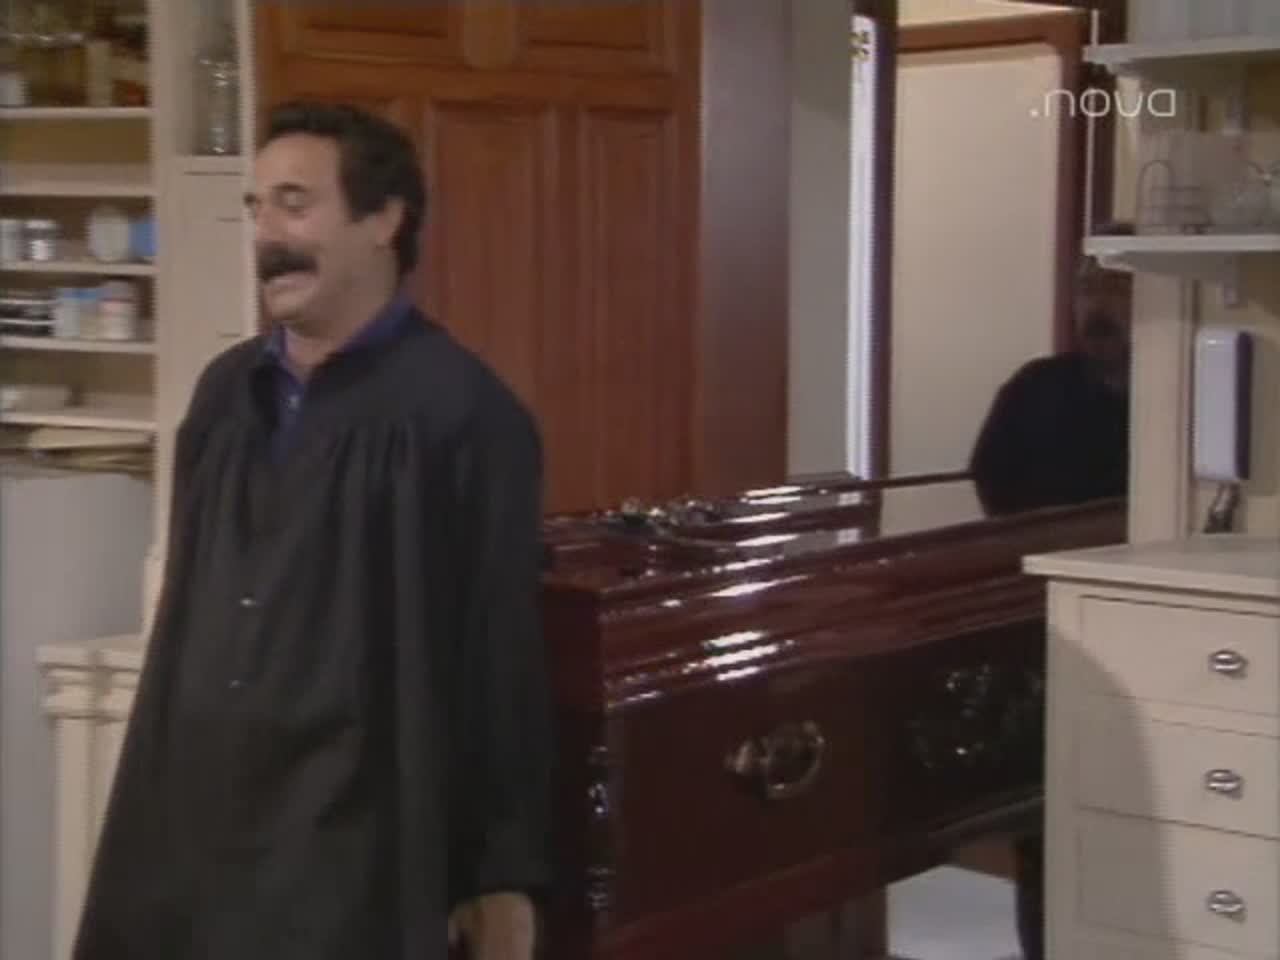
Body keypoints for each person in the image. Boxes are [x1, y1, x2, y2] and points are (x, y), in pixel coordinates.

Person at [73, 101, 552, 960]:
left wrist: (499, 870)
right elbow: (190, 612)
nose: (267, 235)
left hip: (348, 847)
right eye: (256, 208)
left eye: (294, 204)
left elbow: (496, 653)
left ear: (384, 220)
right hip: (194, 829)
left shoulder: (463, 416)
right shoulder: (225, 396)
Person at [968, 266, 1131, 960]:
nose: (1099, 307)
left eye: (1118, 289)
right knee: (1044, 809)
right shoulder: (1038, 387)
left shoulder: (1171, 392)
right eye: (1089, 290)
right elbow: (989, 473)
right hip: (1040, 615)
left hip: (1133, 619)